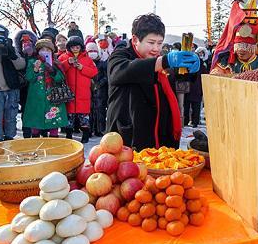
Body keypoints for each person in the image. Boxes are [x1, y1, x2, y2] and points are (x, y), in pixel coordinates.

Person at [107, 13, 200, 150]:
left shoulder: (160, 63)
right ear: (135, 40)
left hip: (160, 135)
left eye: (160, 43)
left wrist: (191, 69)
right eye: (151, 43)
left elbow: (176, 80)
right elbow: (123, 71)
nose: (156, 48)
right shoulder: (121, 55)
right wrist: (165, 61)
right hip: (130, 138)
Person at [22, 39, 68, 137]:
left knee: (54, 120)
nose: (45, 51)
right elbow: (29, 78)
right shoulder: (32, 61)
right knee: (36, 120)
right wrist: (35, 69)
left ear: (52, 51)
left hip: (53, 96)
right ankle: (36, 139)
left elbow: (61, 78)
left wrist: (52, 70)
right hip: (36, 96)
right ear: (37, 51)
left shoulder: (56, 62)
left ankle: (53, 139)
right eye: (42, 49)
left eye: (47, 49)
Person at [58, 36, 98, 143]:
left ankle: (85, 135)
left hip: (83, 93)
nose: (75, 49)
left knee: (84, 116)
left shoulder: (87, 59)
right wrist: (67, 63)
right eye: (73, 47)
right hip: (69, 93)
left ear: (81, 47)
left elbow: (94, 72)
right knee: (69, 116)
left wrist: (82, 68)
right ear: (69, 47)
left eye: (77, 46)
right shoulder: (63, 57)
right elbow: (58, 70)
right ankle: (69, 134)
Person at [14, 29, 38, 139]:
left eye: (28, 40)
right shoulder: (16, 54)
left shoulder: (38, 54)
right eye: (23, 40)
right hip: (23, 87)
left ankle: (36, 132)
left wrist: (32, 55)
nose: (26, 42)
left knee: (36, 110)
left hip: (36, 86)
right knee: (25, 111)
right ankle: (27, 134)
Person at [87, 41, 109, 137]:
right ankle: (90, 130)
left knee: (100, 111)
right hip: (89, 91)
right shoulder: (85, 64)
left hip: (101, 91)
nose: (92, 53)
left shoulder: (102, 64)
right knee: (90, 112)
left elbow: (107, 76)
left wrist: (99, 84)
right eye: (90, 51)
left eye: (94, 50)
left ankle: (100, 129)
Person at [184, 47, 209, 128]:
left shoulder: (202, 66)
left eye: (202, 53)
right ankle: (191, 121)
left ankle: (192, 121)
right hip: (192, 87)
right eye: (200, 53)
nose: (201, 55)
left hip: (195, 88)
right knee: (190, 106)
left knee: (194, 106)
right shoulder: (195, 65)